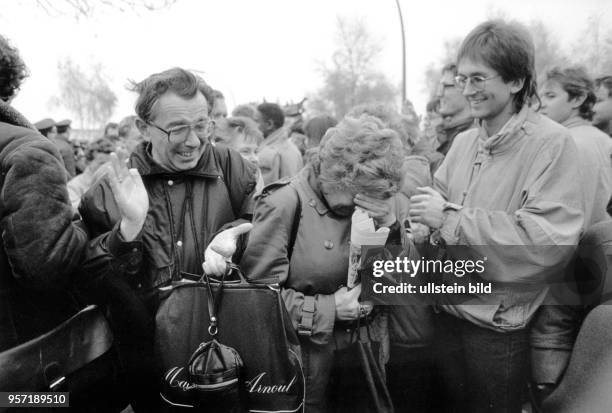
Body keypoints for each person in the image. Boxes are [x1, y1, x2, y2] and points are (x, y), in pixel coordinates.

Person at [409, 20, 583, 412]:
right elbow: (438, 205)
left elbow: (545, 244)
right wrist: (419, 224)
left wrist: (448, 219)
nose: (467, 90)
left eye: (478, 79)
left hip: (496, 328)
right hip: (446, 310)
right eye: (461, 79)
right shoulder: (466, 141)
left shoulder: (552, 144)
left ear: (517, 81)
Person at [78, 67, 257, 412]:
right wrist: (126, 233)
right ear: (143, 127)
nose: (193, 140)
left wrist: (233, 242)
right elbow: (86, 280)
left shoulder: (234, 168)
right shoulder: (110, 187)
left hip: (226, 349)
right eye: (177, 129)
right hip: (147, 359)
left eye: (202, 125)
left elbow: (259, 228)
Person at [240, 115, 420, 413]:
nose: (360, 204)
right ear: (336, 174)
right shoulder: (285, 203)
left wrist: (390, 227)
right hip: (305, 367)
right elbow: (256, 302)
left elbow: (402, 284)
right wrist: (328, 309)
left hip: (361, 360)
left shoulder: (368, 202)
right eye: (357, 194)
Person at [213, 115, 265, 193]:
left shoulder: (256, 176)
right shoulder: (213, 184)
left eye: (256, 152)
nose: (255, 159)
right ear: (222, 153)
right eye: (245, 151)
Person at [255, 102, 303, 185]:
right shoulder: (290, 148)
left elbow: (288, 191)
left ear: (269, 124)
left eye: (256, 121)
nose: (253, 125)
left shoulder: (278, 151)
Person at [67, 137, 115, 210]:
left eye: (110, 163)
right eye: (102, 163)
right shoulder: (74, 186)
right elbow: (72, 210)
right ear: (88, 162)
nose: (106, 167)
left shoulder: (115, 183)